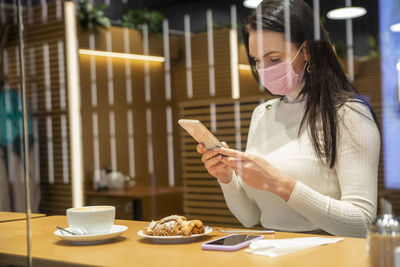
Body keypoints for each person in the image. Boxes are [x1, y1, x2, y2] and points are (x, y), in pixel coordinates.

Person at [197, 0, 380, 238]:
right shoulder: (263, 114)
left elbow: (362, 225)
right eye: (256, 60)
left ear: (306, 52)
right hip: (271, 250)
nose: (263, 70)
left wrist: (279, 183)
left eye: (273, 59)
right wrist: (227, 177)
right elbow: (250, 217)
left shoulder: (348, 113)